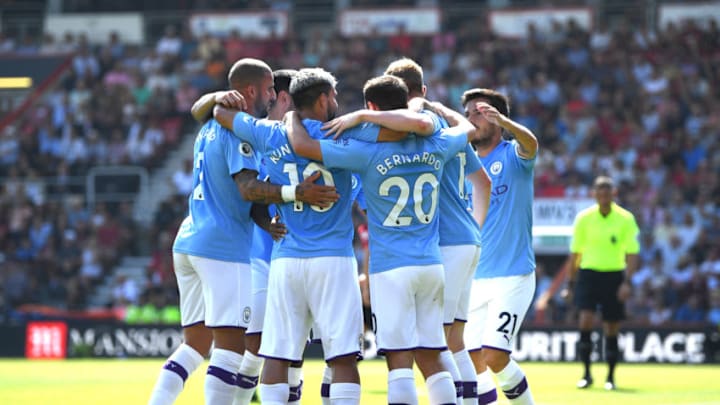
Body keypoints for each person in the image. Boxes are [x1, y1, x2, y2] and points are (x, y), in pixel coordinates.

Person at [213, 68, 435, 405]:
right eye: (333, 96)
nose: (336, 102)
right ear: (322, 99)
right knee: (342, 356)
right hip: (334, 259)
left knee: (277, 355)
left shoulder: (268, 133)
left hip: (286, 258)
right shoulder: (347, 134)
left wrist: (221, 100)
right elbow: (406, 129)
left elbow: (222, 114)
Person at [286, 74, 487, 405]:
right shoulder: (437, 143)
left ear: (372, 107)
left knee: (399, 363)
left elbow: (303, 146)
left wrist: (293, 115)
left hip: (390, 267)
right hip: (431, 264)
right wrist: (433, 110)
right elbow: (467, 128)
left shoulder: (364, 152)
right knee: (434, 355)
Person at [147, 60, 334, 405]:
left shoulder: (209, 123)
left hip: (189, 238)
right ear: (252, 91)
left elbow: (199, 111)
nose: (270, 97)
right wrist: (296, 193)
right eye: (267, 91)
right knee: (232, 351)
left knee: (195, 345)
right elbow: (247, 188)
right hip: (223, 247)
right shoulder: (238, 130)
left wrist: (266, 221)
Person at [386, 57, 491, 405]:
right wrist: (473, 228)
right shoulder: (450, 128)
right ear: (424, 89)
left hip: (446, 242)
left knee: (433, 344)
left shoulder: (420, 129)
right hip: (468, 240)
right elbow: (484, 182)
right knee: (455, 340)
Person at [461, 88, 539, 405]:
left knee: (494, 355)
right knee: (470, 363)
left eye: (478, 113)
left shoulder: (513, 156)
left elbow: (531, 144)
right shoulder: (463, 166)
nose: (471, 120)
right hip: (474, 279)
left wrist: (507, 122)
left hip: (513, 276)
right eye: (467, 114)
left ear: (497, 118)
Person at [566, 175, 640, 390]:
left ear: (613, 194)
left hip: (614, 275)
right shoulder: (583, 218)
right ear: (594, 194)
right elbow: (575, 253)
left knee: (611, 326)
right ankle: (587, 374)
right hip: (588, 274)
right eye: (600, 192)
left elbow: (632, 254)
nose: (603, 196)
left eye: (607, 192)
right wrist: (571, 284)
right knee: (586, 320)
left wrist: (627, 282)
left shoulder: (625, 219)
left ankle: (610, 377)